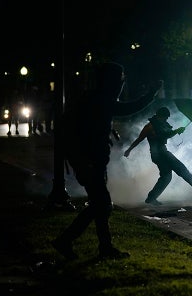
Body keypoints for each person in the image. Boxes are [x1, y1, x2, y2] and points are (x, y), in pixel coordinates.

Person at [52, 62, 161, 260]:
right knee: (102, 205)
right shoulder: (102, 100)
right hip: (89, 161)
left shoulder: (95, 98)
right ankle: (67, 240)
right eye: (120, 78)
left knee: (100, 205)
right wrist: (151, 94)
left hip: (91, 160)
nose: (122, 82)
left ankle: (103, 247)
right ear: (111, 81)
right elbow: (128, 108)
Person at [124, 106, 192, 205]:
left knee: (166, 176)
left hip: (160, 153)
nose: (166, 119)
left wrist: (177, 131)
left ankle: (151, 198)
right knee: (181, 169)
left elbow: (167, 133)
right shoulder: (150, 127)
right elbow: (140, 139)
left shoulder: (161, 124)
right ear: (159, 115)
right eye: (165, 117)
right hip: (161, 154)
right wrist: (129, 150)